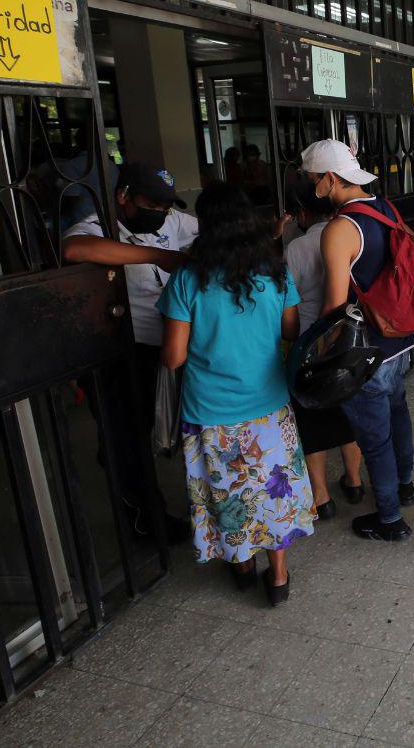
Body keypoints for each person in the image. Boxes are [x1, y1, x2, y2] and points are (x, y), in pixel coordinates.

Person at [157, 182, 314, 607]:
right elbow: (290, 331)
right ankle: (278, 576)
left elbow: (172, 358)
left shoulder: (187, 280)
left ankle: (242, 565)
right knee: (273, 491)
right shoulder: (275, 272)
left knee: (229, 492)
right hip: (269, 406)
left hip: (211, 412)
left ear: (206, 226)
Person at [63, 162, 197, 539]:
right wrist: (157, 256)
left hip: (173, 346)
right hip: (125, 350)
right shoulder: (98, 225)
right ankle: (145, 519)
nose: (159, 211)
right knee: (126, 439)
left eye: (165, 204)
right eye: (150, 202)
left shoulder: (173, 221)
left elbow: (209, 233)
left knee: (182, 428)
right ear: (123, 197)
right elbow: (74, 249)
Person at [302, 139, 414, 543]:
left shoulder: (339, 229)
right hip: (400, 336)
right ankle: (405, 485)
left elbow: (335, 307)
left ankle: (390, 520)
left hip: (364, 349)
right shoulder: (385, 208)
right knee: (398, 412)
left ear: (329, 179)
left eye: (311, 178)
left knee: (375, 437)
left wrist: (313, 352)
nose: (309, 185)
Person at [282, 180, 365, 519]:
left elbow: (288, 298)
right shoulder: (350, 233)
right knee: (347, 409)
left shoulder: (297, 247)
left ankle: (321, 496)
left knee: (311, 416)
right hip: (346, 338)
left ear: (302, 213)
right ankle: (355, 480)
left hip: (308, 340)